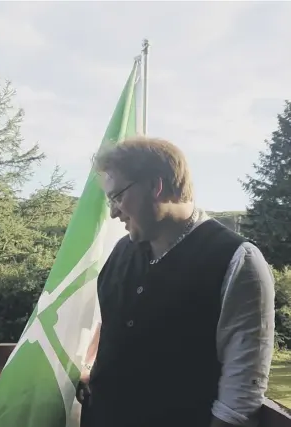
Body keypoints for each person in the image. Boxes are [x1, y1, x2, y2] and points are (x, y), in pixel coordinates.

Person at [76, 136, 275, 427]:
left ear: (156, 186)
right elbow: (111, 327)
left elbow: (242, 390)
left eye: (118, 196)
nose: (114, 211)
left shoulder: (237, 260)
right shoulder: (120, 252)